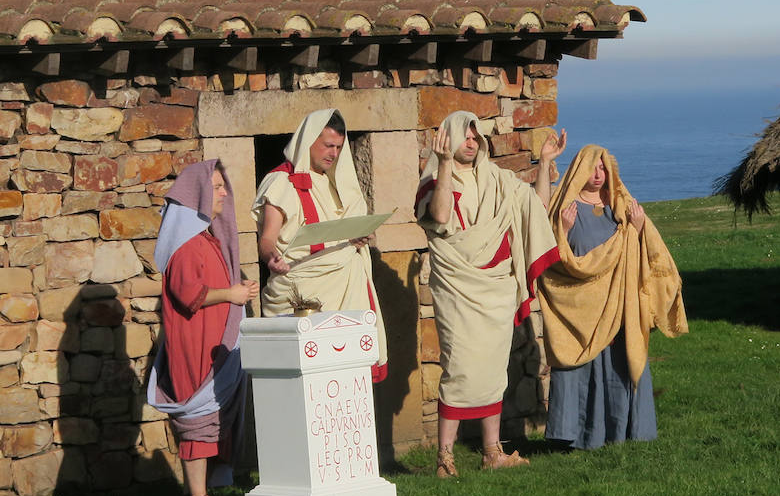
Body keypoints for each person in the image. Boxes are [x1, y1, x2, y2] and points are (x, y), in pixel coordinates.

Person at [416, 111, 561, 476]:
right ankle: (444, 458)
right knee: (460, 368)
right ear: (448, 138)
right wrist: (444, 164)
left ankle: (492, 452)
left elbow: (537, 208)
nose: (471, 142)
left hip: (497, 286)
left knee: (494, 369)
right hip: (458, 285)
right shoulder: (435, 179)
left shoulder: (498, 178)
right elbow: (440, 216)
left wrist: (544, 164)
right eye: (464, 136)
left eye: (475, 137)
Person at [538, 143, 687, 450]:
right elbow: (548, 255)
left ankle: (626, 431)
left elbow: (646, 248)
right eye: (592, 168)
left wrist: (638, 228)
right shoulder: (566, 208)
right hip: (580, 309)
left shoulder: (621, 204)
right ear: (579, 170)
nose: (598, 174)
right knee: (580, 368)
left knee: (620, 362)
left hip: (620, 305)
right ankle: (574, 436)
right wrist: (561, 230)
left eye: (603, 168)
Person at [148, 160, 258, 496]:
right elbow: (188, 294)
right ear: (198, 194)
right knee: (198, 420)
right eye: (217, 186)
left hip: (212, 347)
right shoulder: (186, 246)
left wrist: (237, 291)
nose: (225, 192)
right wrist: (231, 294)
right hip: (194, 348)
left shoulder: (206, 240)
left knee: (211, 420)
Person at [253, 108, 386, 382]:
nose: (333, 153)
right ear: (308, 141)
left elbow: (336, 237)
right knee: (307, 381)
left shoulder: (335, 184)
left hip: (342, 284)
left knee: (347, 376)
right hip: (301, 285)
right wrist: (271, 258)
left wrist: (354, 240)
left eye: (338, 147)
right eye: (327, 145)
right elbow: (267, 239)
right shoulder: (281, 182)